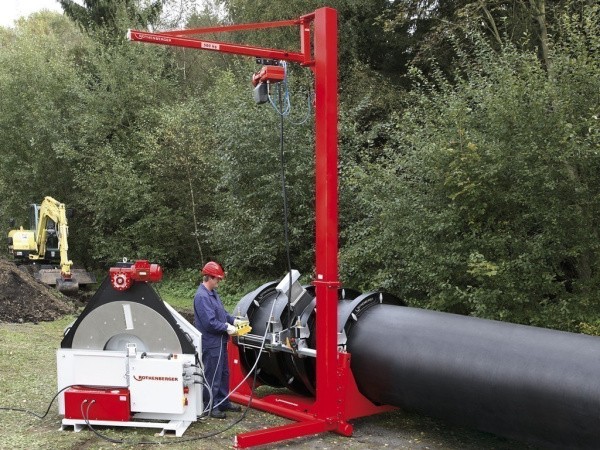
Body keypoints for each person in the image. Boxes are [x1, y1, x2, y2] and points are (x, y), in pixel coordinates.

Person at [193, 261, 242, 419]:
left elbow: (222, 313)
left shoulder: (213, 293)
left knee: (224, 373)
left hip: (220, 341)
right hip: (211, 342)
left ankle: (223, 401)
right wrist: (227, 328)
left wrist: (234, 321)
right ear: (210, 277)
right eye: (217, 279)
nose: (219, 282)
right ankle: (211, 406)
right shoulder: (202, 297)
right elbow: (210, 322)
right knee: (213, 375)